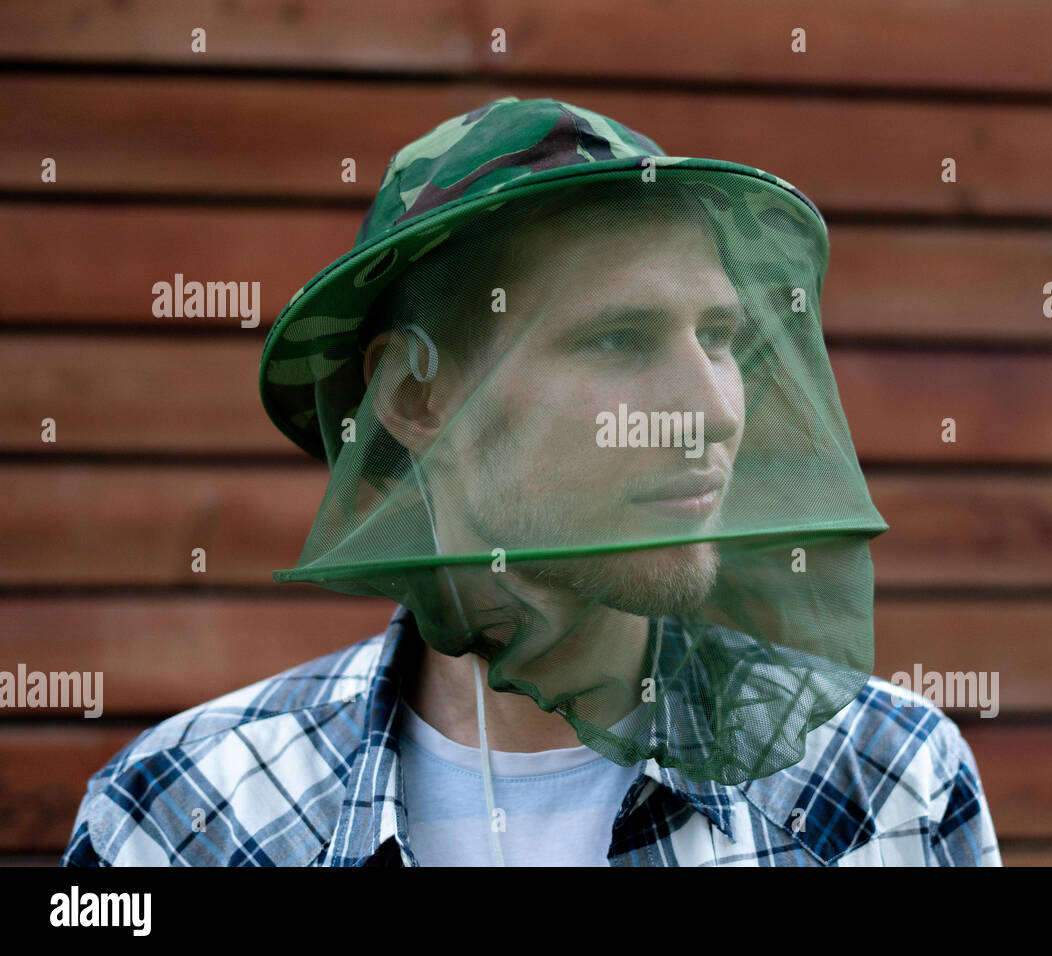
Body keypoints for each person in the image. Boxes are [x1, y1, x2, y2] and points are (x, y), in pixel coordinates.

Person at [62, 96, 1002, 867]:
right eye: (620, 338)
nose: (713, 408)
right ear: (421, 396)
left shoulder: (881, 786)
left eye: (719, 337)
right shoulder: (187, 817)